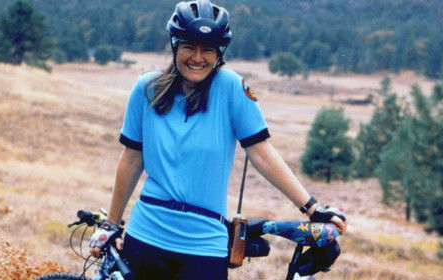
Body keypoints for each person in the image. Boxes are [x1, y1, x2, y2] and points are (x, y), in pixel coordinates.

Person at [88, 0, 347, 279]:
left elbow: (261, 153)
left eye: (207, 49)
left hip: (204, 246)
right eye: (189, 46)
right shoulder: (146, 89)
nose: (197, 57)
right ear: (175, 45)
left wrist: (312, 207)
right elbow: (131, 159)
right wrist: (112, 224)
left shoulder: (232, 89)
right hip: (146, 235)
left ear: (219, 53)